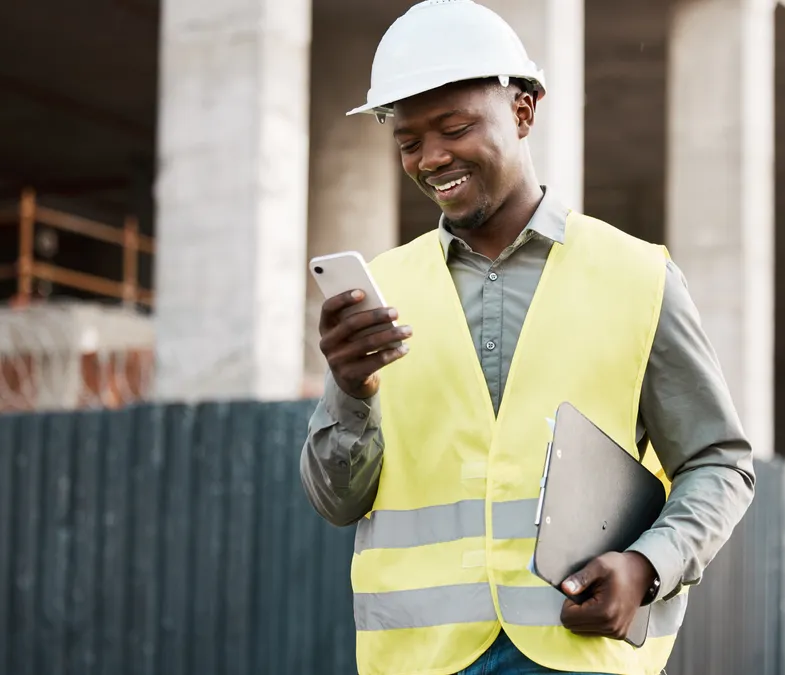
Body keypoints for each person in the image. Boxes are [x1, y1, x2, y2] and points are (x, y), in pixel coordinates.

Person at [300, 1, 755, 673]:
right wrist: (349, 391)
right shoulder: (382, 289)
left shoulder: (636, 276)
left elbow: (720, 463)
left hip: (575, 652)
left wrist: (646, 566)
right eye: (407, 141)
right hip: (419, 658)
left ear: (523, 110)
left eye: (454, 127)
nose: (431, 158)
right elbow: (336, 503)